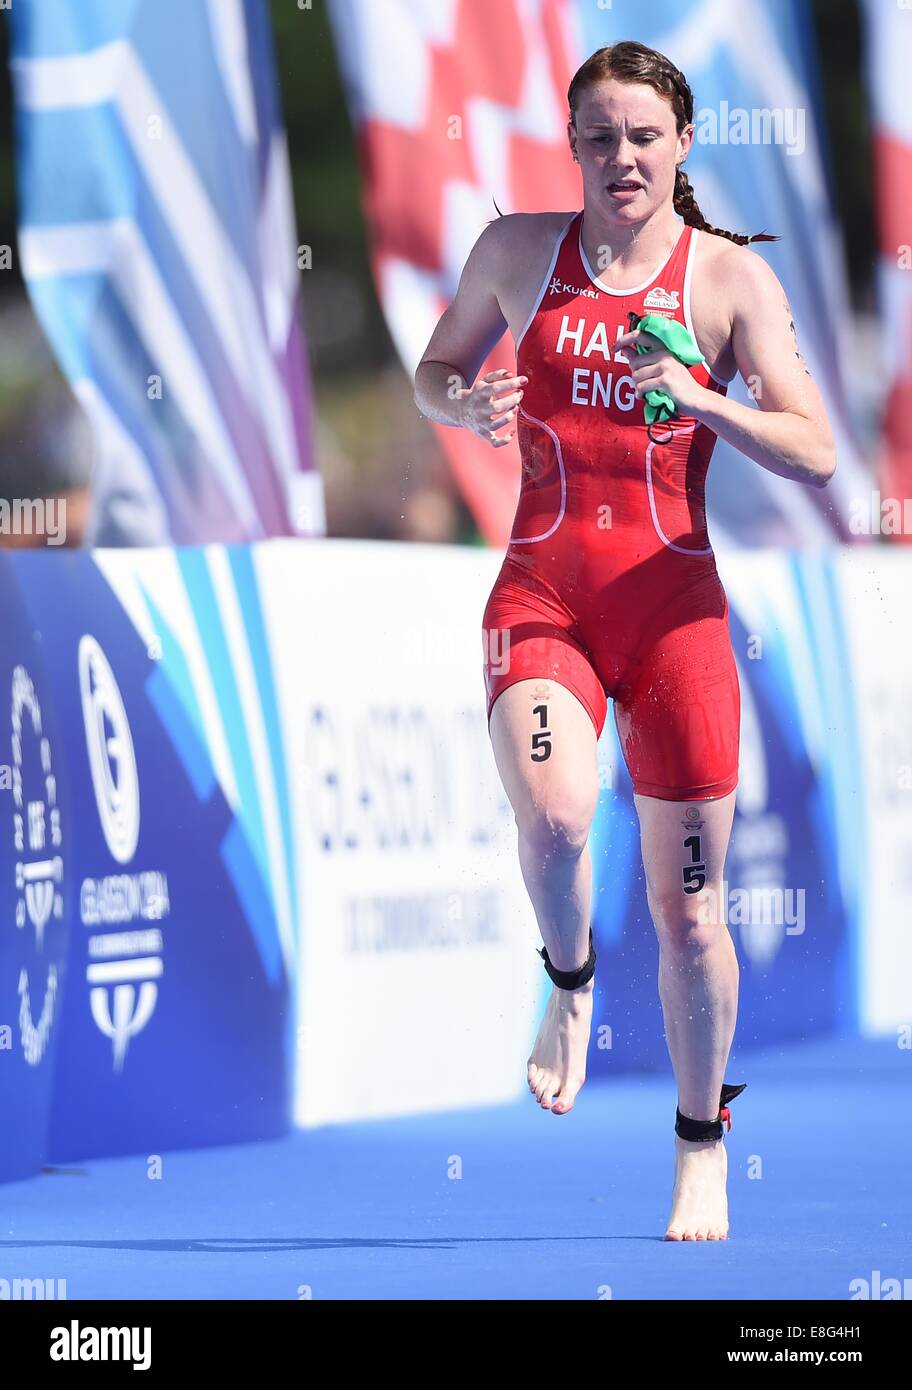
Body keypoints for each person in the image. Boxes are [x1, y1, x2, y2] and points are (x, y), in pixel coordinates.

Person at [413, 40, 835, 1241]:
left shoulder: (727, 284)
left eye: (644, 136)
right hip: (544, 594)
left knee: (690, 913)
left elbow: (815, 449)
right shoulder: (515, 253)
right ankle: (568, 980)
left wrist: (706, 396)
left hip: (676, 620)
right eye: (599, 137)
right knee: (551, 817)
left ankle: (701, 1143)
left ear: (683, 143)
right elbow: (435, 370)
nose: (621, 159)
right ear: (574, 145)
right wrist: (466, 401)